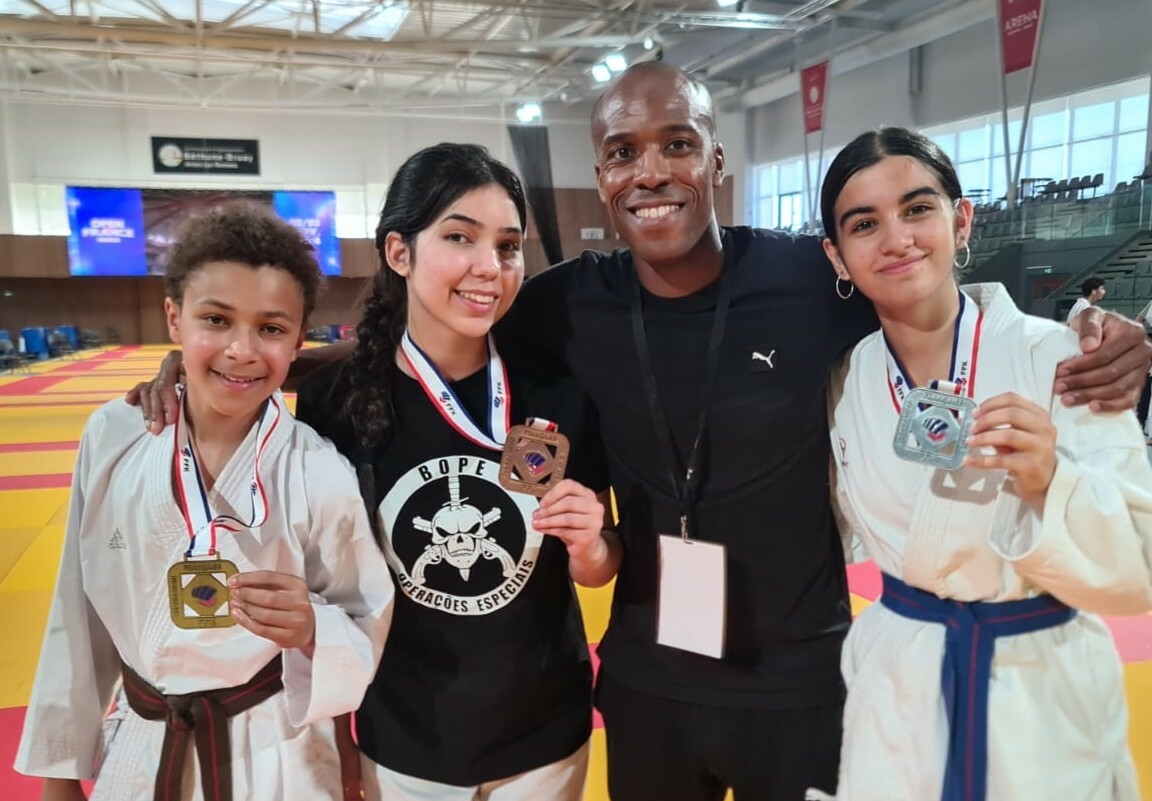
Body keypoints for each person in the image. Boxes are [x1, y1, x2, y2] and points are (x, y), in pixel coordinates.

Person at [127, 63, 1152, 801]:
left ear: (716, 159)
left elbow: (930, 304)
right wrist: (224, 369)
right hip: (649, 676)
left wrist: (1108, 332)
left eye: (677, 145)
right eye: (623, 152)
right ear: (602, 173)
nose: (651, 170)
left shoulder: (810, 280)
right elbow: (431, 335)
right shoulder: (564, 303)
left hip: (802, 679)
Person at [17, 205, 396, 801]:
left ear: (299, 338)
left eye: (271, 329)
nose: (242, 350)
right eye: (216, 320)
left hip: (281, 749)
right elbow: (77, 609)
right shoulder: (113, 436)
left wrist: (312, 627)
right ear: (175, 318)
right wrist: (60, 773)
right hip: (144, 745)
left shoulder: (319, 468)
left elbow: (364, 614)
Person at [820, 126, 1152, 801]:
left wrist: (1051, 482)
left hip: (1041, 691)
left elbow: (1141, 569)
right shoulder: (845, 377)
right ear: (837, 255)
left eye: (918, 208)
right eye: (865, 223)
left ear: (961, 219)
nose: (897, 238)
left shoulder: (1065, 357)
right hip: (900, 684)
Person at [295, 143, 618, 800]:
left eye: (507, 246)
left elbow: (599, 565)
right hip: (403, 734)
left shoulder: (557, 388)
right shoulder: (335, 399)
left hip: (544, 737)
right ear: (399, 251)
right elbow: (320, 586)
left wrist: (591, 545)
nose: (489, 267)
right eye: (459, 237)